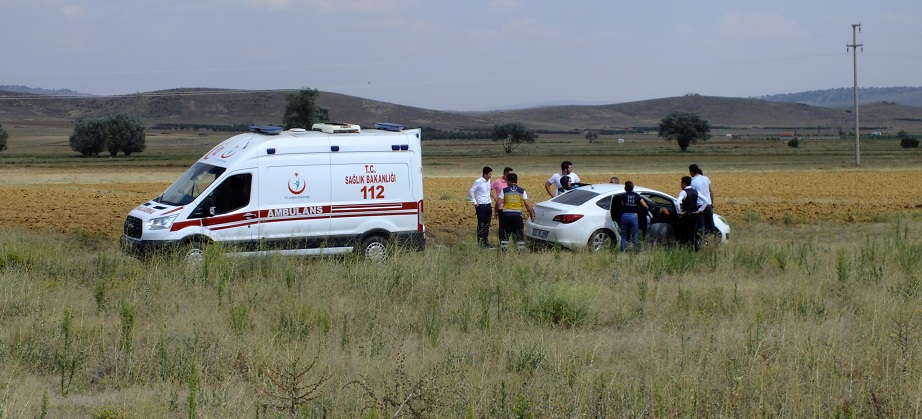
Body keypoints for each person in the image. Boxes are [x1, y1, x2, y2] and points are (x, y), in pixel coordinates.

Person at [497, 173, 535, 251]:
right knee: (519, 234)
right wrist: (532, 214)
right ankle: (520, 251)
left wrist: (496, 212)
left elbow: (498, 202)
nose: (506, 182)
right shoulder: (522, 191)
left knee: (505, 234)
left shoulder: (504, 190)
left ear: (509, 181)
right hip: (517, 216)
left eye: (507, 181)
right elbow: (527, 204)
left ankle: (503, 252)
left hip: (506, 215)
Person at [612, 181, 648, 252]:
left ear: (625, 188)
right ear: (632, 187)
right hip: (633, 216)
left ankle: (622, 252)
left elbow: (622, 204)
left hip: (624, 216)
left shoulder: (623, 196)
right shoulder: (637, 196)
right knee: (635, 236)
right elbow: (645, 205)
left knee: (624, 235)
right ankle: (637, 251)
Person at [677, 175, 709, 250]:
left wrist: (679, 212)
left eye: (681, 183)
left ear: (684, 184)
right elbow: (706, 201)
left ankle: (686, 247)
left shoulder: (684, 192)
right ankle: (695, 247)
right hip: (694, 215)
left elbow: (677, 202)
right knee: (693, 232)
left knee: (685, 232)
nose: (681, 185)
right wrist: (700, 210)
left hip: (686, 215)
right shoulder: (695, 191)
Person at [469, 166, 494, 248]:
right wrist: (474, 202)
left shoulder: (488, 181)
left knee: (487, 224)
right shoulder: (479, 181)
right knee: (481, 224)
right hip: (481, 205)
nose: (491, 175)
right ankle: (480, 241)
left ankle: (485, 241)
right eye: (490, 174)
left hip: (488, 204)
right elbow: (471, 191)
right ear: (485, 174)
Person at [688, 164, 717, 236]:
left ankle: (701, 242)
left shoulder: (692, 182)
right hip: (708, 204)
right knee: (711, 224)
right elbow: (711, 192)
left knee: (701, 226)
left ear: (691, 172)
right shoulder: (706, 178)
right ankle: (715, 238)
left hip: (699, 206)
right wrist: (712, 204)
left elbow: (692, 195)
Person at [490, 167, 514, 242]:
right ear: (504, 174)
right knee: (502, 227)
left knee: (511, 226)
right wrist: (495, 198)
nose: (510, 176)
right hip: (501, 208)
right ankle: (502, 242)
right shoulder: (497, 182)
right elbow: (489, 189)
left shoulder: (512, 182)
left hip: (511, 208)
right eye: (508, 174)